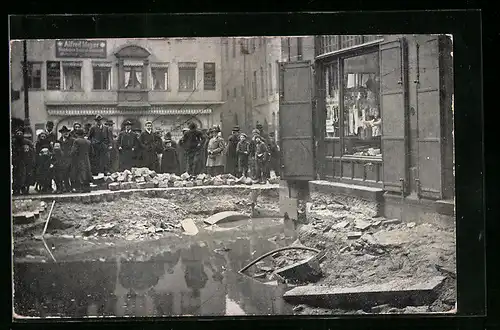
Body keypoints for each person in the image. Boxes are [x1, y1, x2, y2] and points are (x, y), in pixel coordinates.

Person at [12, 128, 35, 196]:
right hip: (16, 161)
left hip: (26, 161)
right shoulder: (13, 142)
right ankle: (16, 189)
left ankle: (25, 189)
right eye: (18, 133)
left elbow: (32, 151)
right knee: (16, 176)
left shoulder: (27, 142)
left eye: (20, 133)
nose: (19, 135)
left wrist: (28, 150)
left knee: (26, 175)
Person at [70, 128, 92, 193]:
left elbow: (73, 152)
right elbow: (92, 152)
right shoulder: (88, 142)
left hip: (78, 160)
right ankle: (87, 188)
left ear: (77, 134)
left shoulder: (76, 141)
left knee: (79, 173)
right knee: (87, 173)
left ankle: (81, 188)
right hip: (87, 160)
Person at [54, 126, 74, 193]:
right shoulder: (59, 141)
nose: (66, 133)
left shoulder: (72, 140)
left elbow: (73, 149)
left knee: (70, 174)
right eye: (64, 132)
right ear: (61, 133)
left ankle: (70, 188)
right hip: (61, 160)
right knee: (62, 174)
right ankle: (63, 188)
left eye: (67, 132)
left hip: (69, 159)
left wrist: (68, 153)